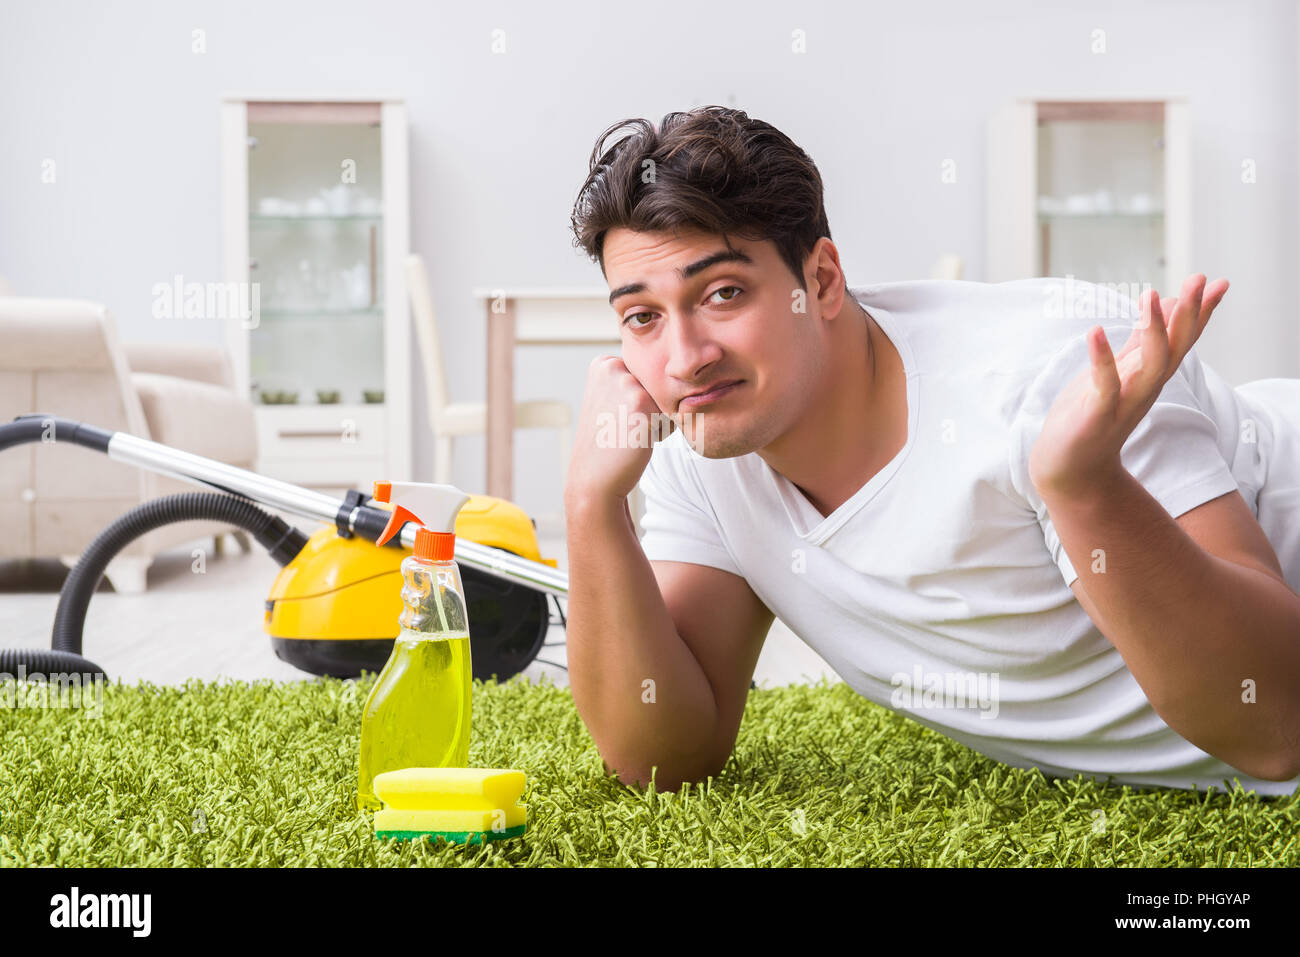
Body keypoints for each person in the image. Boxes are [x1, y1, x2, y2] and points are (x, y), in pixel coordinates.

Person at [563, 105, 1300, 797]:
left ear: (819, 280)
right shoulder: (710, 451)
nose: (685, 357)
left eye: (723, 293)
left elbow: (1274, 724)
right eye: (642, 316)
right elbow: (663, 758)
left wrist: (1084, 487)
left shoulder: (1056, 375)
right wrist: (592, 506)